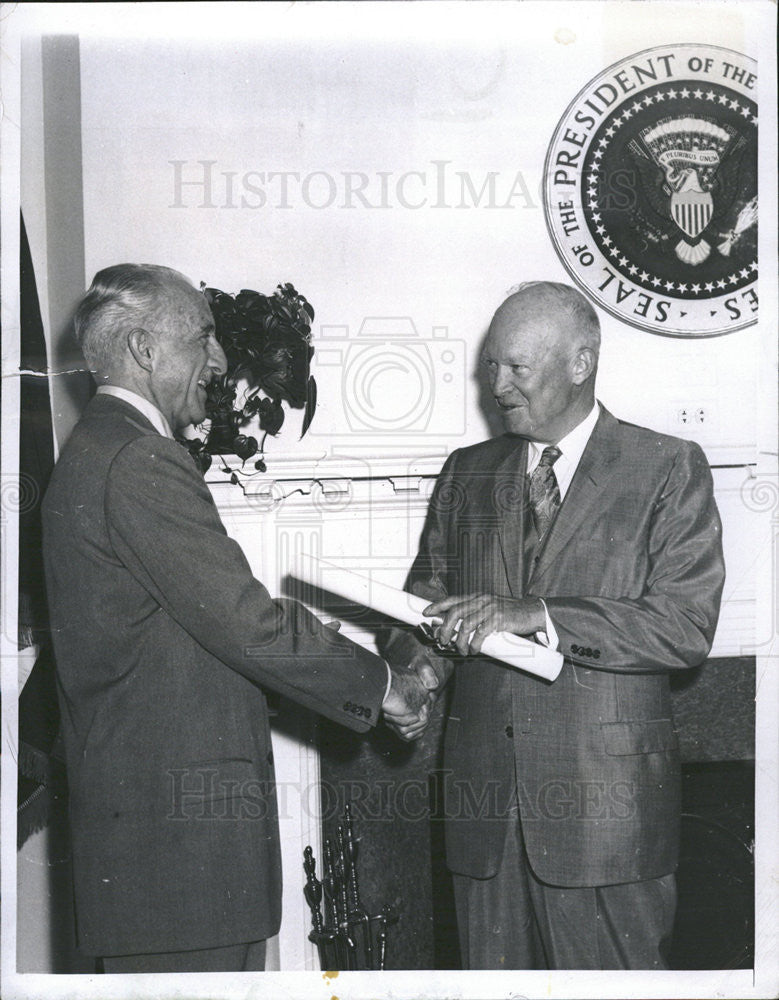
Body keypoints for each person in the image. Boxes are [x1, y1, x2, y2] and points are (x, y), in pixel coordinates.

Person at [41, 263, 429, 973]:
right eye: (202, 338)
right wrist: (382, 684)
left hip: (160, 863)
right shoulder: (137, 459)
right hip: (179, 867)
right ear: (144, 349)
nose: (218, 362)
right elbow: (249, 623)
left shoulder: (101, 451)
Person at [385, 281, 725, 970]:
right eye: (491, 367)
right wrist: (418, 670)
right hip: (484, 820)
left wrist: (537, 614)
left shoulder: (664, 467)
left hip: (605, 820)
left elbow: (683, 625)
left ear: (579, 363)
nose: (498, 386)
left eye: (516, 367)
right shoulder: (466, 473)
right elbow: (424, 604)